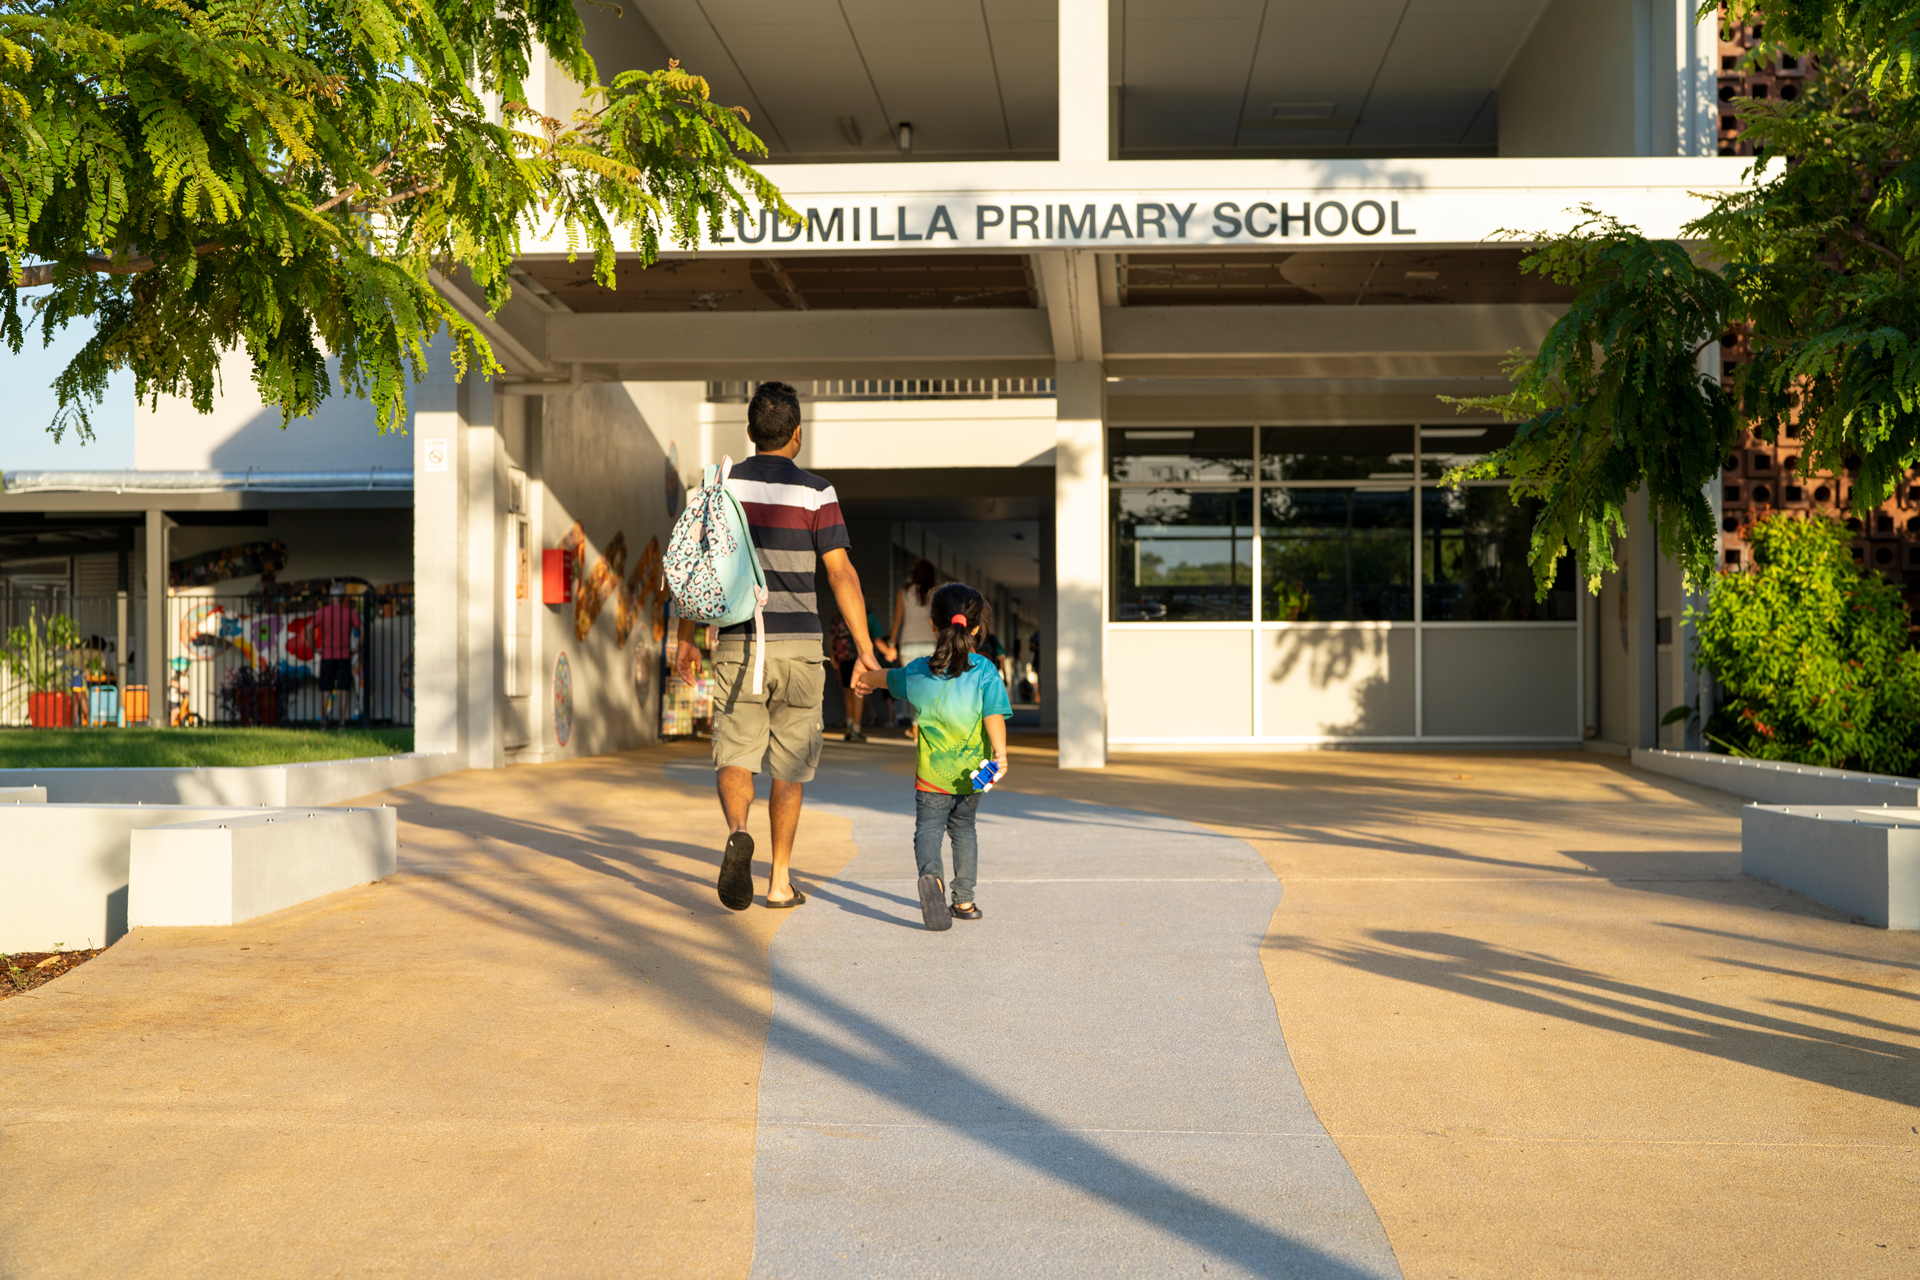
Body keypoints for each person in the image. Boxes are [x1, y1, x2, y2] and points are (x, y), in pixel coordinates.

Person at [674, 381, 880, 911]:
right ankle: (779, 880)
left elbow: (694, 570)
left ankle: (738, 830)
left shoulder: (719, 488)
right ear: (797, 435)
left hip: (739, 644)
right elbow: (841, 574)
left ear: (749, 433)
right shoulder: (818, 492)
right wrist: (865, 650)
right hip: (801, 649)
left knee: (736, 752)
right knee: (789, 766)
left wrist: (684, 638)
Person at [855, 581, 1010, 931]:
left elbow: (886, 678)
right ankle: (964, 900)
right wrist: (1000, 754)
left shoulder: (919, 670)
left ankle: (933, 880)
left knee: (928, 829)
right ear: (976, 627)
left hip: (931, 778)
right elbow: (993, 716)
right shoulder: (985, 671)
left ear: (932, 625)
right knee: (964, 830)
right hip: (974, 775)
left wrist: (865, 678)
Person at [887, 557, 939, 733]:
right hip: (931, 644)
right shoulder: (936, 592)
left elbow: (897, 619)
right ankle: (929, 723)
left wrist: (891, 644)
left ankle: (916, 725)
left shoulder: (904, 591)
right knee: (931, 684)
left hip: (908, 644)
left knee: (913, 685)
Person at [313, 582, 360, 729]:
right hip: (344, 655)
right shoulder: (349, 613)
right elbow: (362, 627)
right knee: (342, 690)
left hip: (326, 655)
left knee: (325, 690)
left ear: (331, 597)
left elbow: (309, 628)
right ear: (344, 597)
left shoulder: (323, 612)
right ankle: (341, 723)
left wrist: (315, 648)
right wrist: (357, 648)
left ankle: (323, 723)